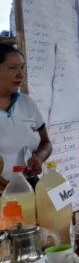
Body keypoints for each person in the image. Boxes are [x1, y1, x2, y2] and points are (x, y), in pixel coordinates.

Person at [0, 44, 52, 190]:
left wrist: (39, 158)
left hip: (28, 186)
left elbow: (46, 142)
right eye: (12, 68)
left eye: (22, 68)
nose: (21, 75)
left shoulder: (27, 103)